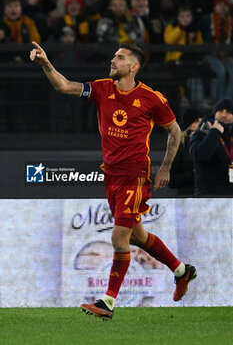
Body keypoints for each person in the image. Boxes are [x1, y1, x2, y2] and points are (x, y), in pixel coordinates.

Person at [30, 40, 197, 320]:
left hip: (135, 176)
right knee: (138, 236)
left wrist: (165, 168)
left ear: (133, 66)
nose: (113, 60)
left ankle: (107, 302)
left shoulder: (151, 98)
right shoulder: (102, 88)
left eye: (119, 58)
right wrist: (46, 64)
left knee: (119, 237)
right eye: (113, 56)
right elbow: (64, 86)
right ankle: (182, 271)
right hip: (112, 175)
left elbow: (176, 132)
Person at [189, 98, 233, 195]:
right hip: (208, 197)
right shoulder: (202, 131)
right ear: (214, 113)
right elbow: (200, 156)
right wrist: (214, 132)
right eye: (220, 111)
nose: (224, 114)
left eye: (228, 112)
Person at [169, 108, 202, 195]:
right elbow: (171, 181)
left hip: (209, 199)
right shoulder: (178, 146)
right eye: (197, 121)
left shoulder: (211, 142)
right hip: (186, 198)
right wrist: (193, 173)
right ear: (189, 124)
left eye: (202, 120)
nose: (201, 123)